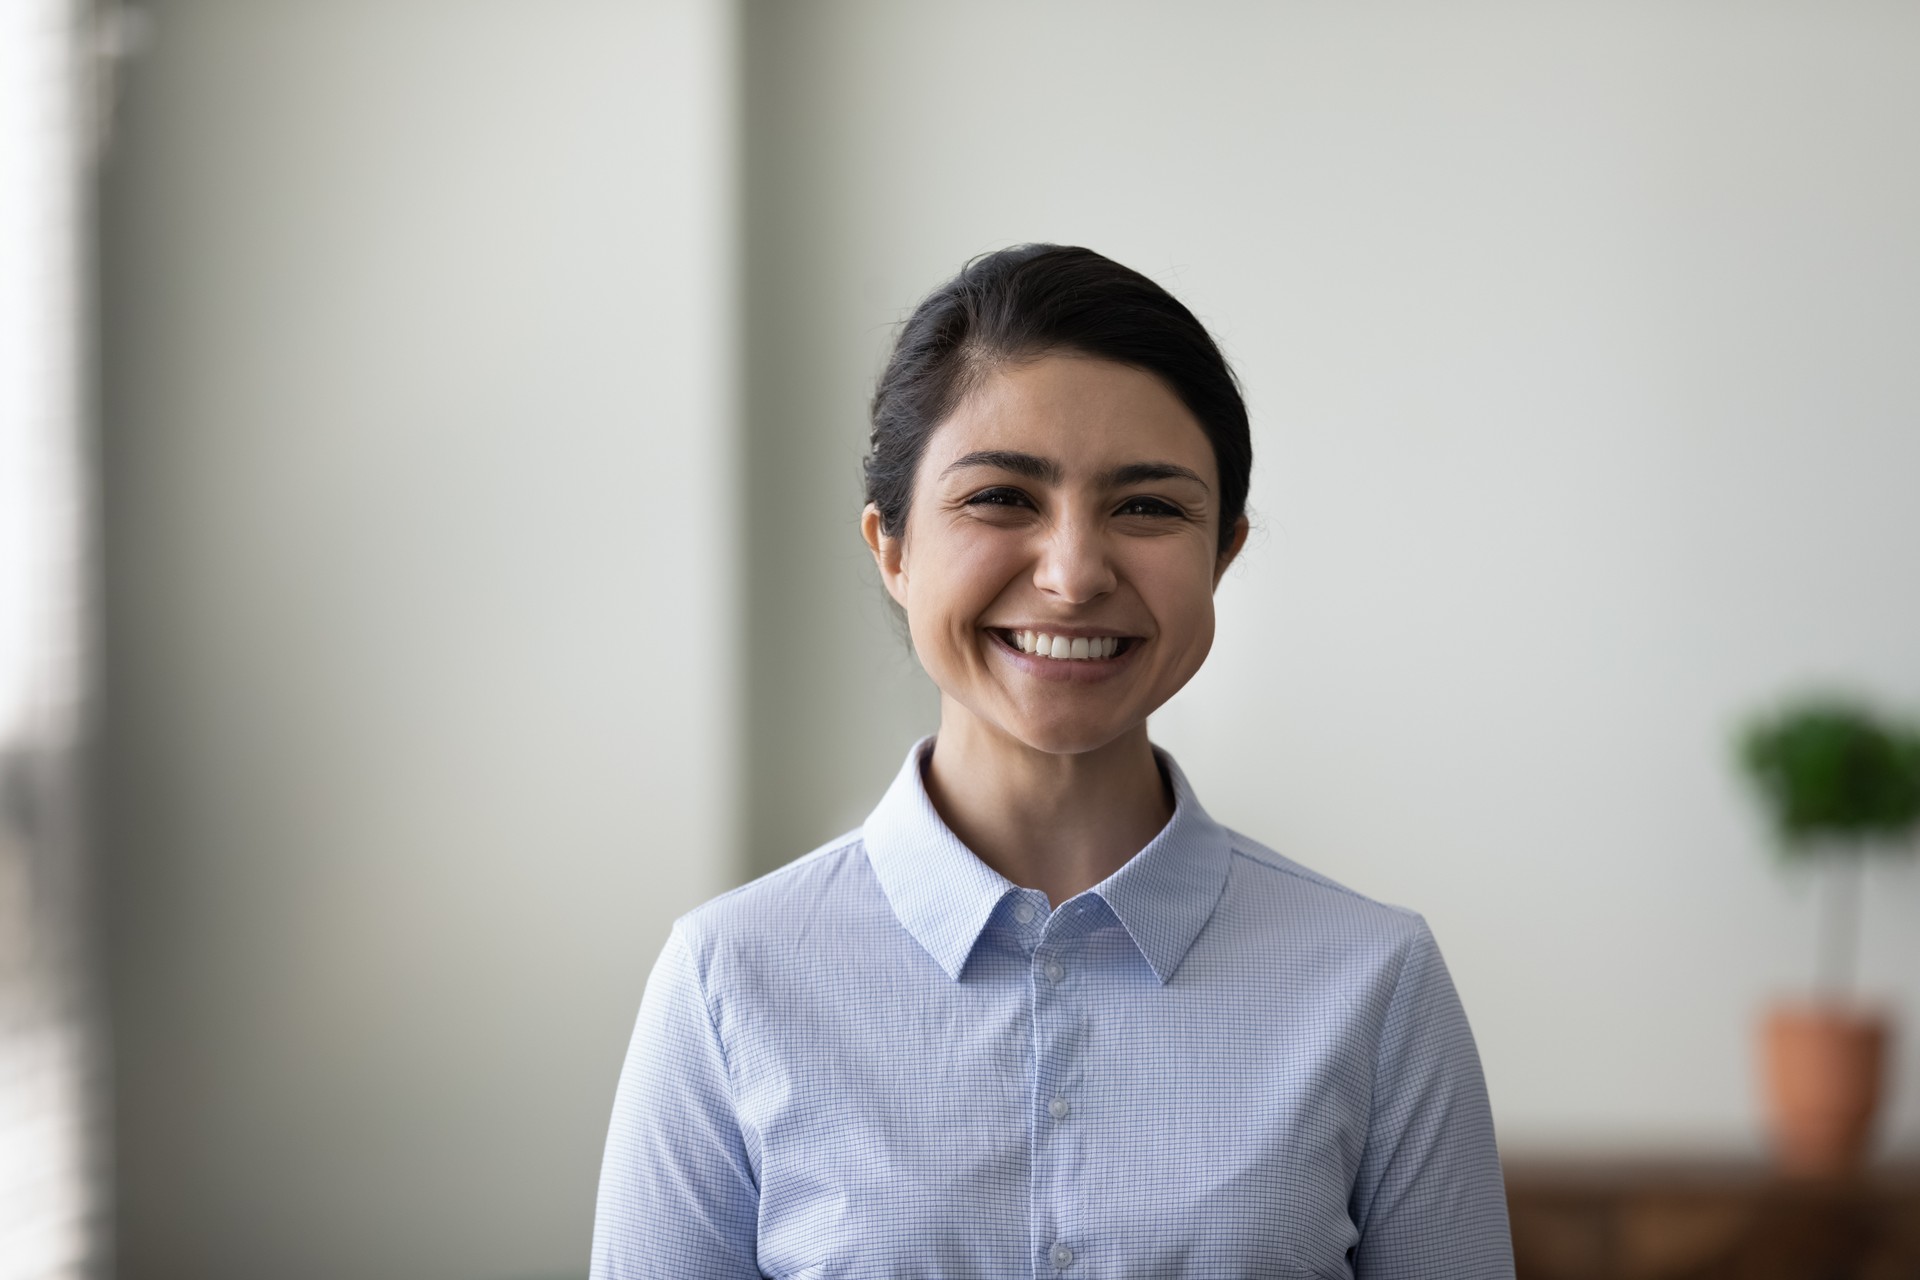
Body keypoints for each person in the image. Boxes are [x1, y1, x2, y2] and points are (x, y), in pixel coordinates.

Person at [589, 245, 1513, 1279]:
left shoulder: (1376, 985)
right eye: (1001, 498)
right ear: (891, 547)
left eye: (1149, 506)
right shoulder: (728, 983)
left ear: (1224, 554)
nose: (1073, 574)